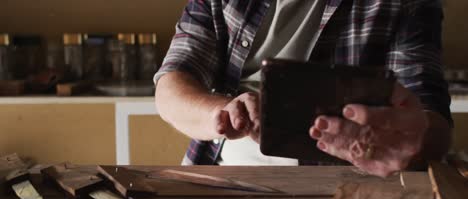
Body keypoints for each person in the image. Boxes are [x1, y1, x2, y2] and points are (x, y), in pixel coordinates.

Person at [154, 0, 452, 177]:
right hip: (220, 177)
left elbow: (430, 118)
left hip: (345, 187)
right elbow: (171, 87)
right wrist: (224, 113)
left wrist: (413, 140)